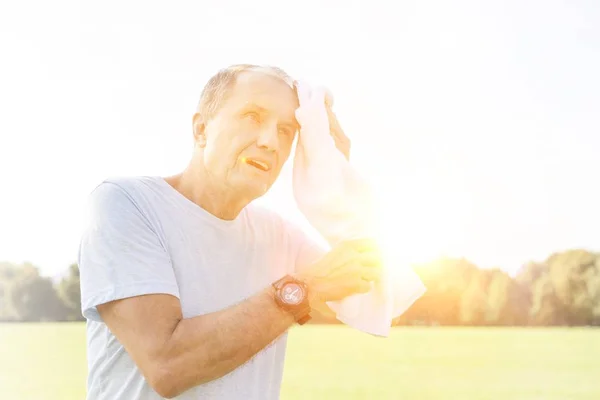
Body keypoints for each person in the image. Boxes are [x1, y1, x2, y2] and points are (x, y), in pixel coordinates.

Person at [78, 64, 383, 399]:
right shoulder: (126, 204)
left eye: (286, 130)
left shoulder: (279, 234)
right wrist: (303, 290)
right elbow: (167, 365)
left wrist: (338, 183)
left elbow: (380, 299)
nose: (270, 142)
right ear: (201, 130)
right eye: (253, 116)